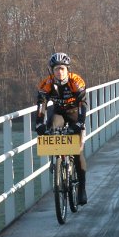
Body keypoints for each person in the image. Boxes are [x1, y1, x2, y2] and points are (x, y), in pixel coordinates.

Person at [35, 52, 88, 205]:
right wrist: (39, 122)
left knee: (77, 152)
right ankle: (57, 161)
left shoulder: (76, 81)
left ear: (67, 69)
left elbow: (82, 104)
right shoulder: (47, 83)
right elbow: (41, 104)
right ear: (53, 70)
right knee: (52, 128)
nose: (60, 72)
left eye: (62, 69)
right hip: (59, 113)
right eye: (57, 69)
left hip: (74, 113)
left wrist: (80, 123)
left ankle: (82, 189)